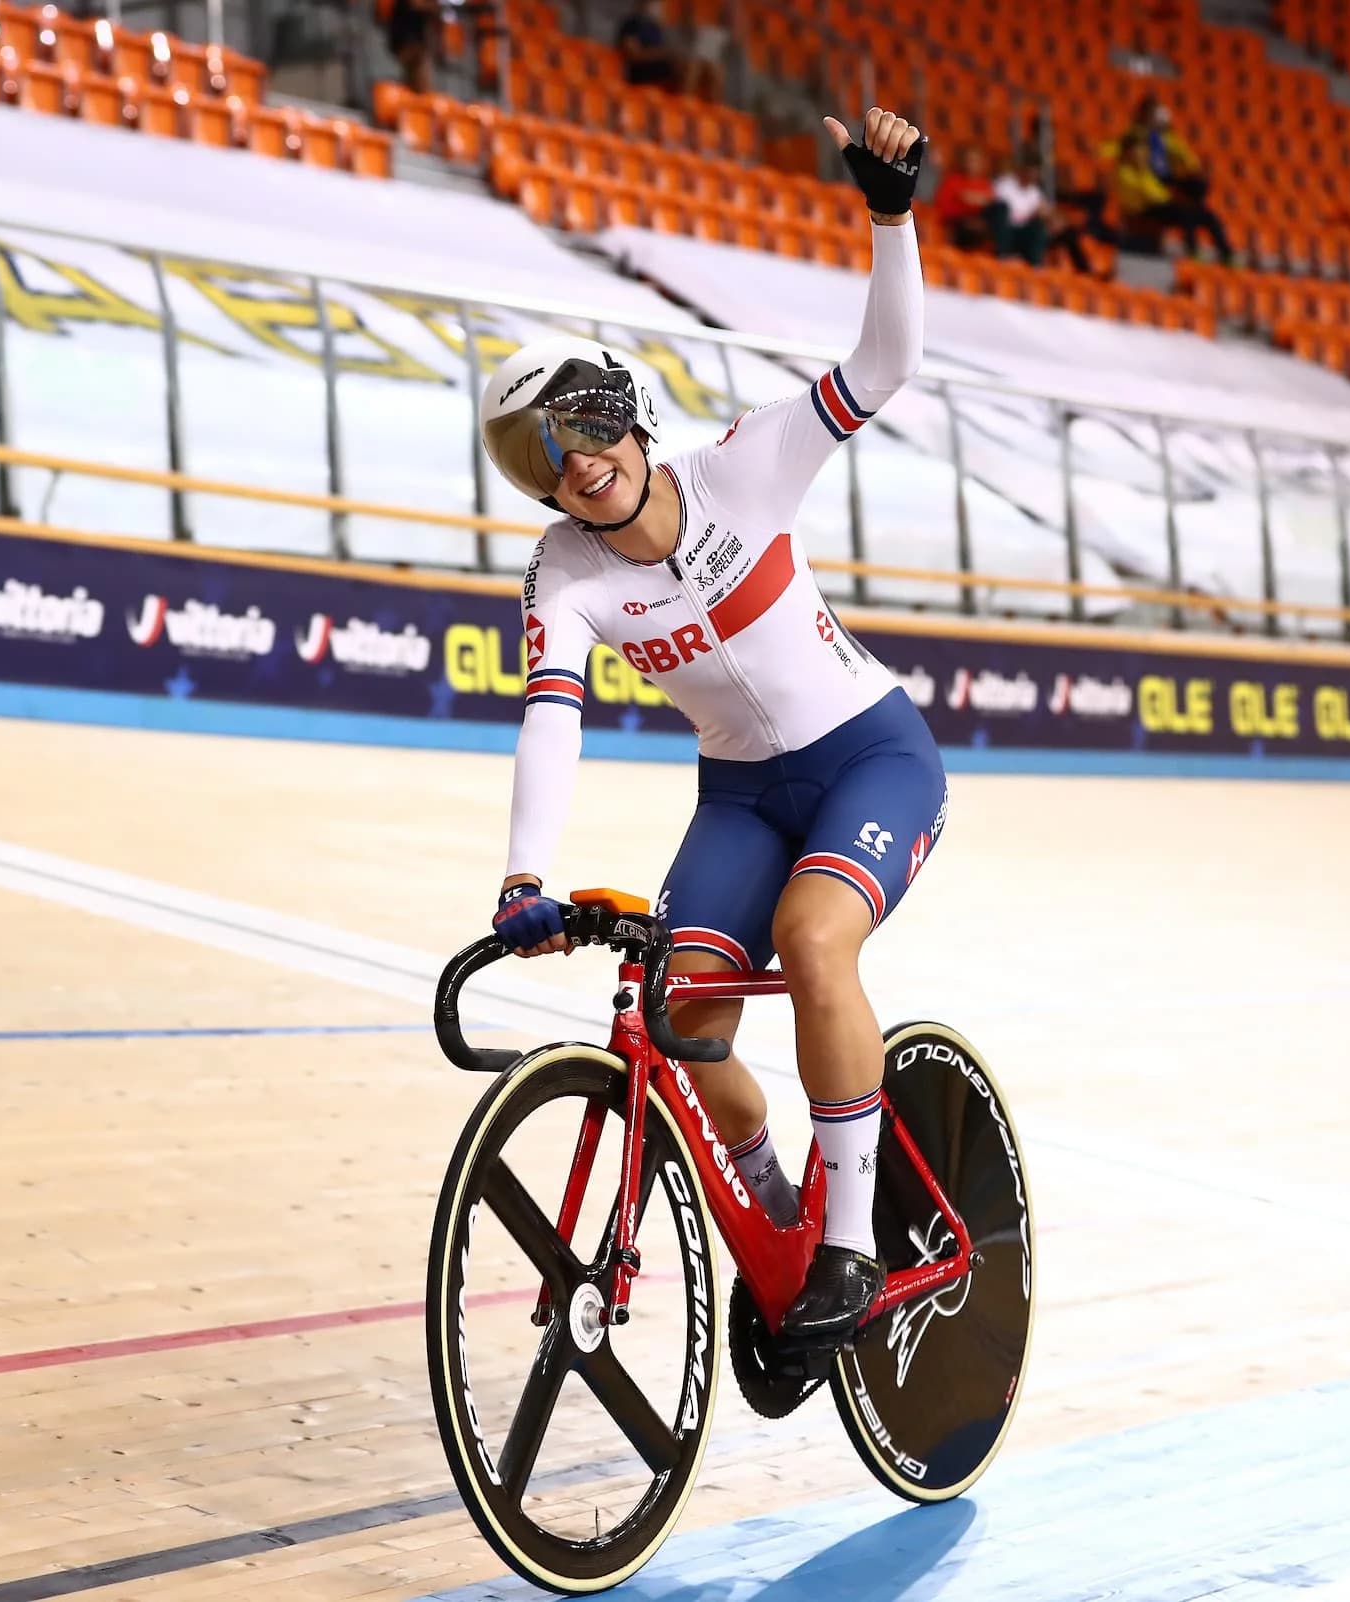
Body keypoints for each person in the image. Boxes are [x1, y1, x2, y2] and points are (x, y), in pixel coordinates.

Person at [482, 108, 941, 1353]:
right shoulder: (563, 574)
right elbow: (551, 719)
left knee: (811, 939)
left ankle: (851, 1246)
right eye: (542, 456)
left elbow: (886, 364)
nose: (574, 465)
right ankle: (781, 1218)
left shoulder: (744, 465)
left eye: (582, 427)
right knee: (680, 1015)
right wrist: (523, 878)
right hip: (741, 797)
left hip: (870, 757)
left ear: (626, 416)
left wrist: (889, 214)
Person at [1110, 94, 1235, 264]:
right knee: (1185, 213)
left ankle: (1227, 254)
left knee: (1208, 215)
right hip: (1148, 206)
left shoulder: (1163, 139)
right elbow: (1147, 192)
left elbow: (1186, 160)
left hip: (1164, 191)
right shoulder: (1129, 159)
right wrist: (1170, 194)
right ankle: (1192, 250)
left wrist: (1189, 173)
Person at [934, 146, 997, 254]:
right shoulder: (952, 181)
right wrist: (965, 204)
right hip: (957, 224)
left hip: (982, 224)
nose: (971, 164)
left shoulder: (985, 184)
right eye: (969, 160)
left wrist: (974, 200)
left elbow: (990, 205)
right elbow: (943, 208)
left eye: (975, 160)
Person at [615, 0, 681, 92]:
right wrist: (663, 53)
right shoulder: (631, 24)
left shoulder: (656, 28)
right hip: (639, 76)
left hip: (663, 78)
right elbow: (634, 55)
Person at [387, 0, 437, 95]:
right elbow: (417, 4)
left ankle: (416, 96)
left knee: (417, 78)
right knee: (414, 75)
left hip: (417, 40)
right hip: (405, 40)